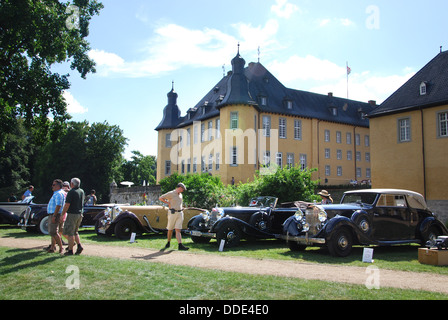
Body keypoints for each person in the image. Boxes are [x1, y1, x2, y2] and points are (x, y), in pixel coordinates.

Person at [159, 183, 189, 251]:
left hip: (180, 212)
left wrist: (181, 207)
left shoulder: (181, 195)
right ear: (179, 187)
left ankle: (180, 245)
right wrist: (168, 203)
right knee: (170, 229)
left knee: (178, 229)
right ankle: (168, 242)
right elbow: (161, 198)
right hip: (172, 212)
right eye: (182, 189)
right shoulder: (171, 193)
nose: (183, 190)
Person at [61, 178, 85, 255]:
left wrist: (62, 214)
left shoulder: (71, 192)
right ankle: (79, 245)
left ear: (72, 184)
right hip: (79, 214)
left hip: (72, 214)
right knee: (75, 232)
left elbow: (67, 204)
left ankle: (70, 250)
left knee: (70, 233)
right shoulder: (81, 191)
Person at [47, 179, 66, 253]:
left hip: (55, 214)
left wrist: (54, 216)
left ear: (58, 186)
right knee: (53, 232)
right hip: (54, 214)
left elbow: (58, 205)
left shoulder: (58, 194)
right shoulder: (57, 193)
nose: (52, 186)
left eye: (54, 185)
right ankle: (52, 248)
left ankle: (61, 248)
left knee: (53, 232)